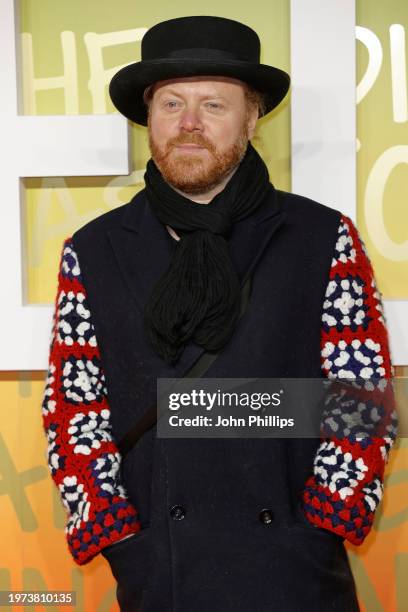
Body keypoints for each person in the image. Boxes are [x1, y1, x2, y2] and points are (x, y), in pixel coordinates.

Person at [41, 15, 396, 612]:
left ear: (253, 118)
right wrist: (122, 534)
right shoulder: (93, 249)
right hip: (162, 575)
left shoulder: (321, 235)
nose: (189, 123)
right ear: (148, 116)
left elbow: (363, 397)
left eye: (213, 104)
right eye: (171, 102)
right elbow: (74, 409)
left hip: (294, 571)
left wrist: (319, 527)